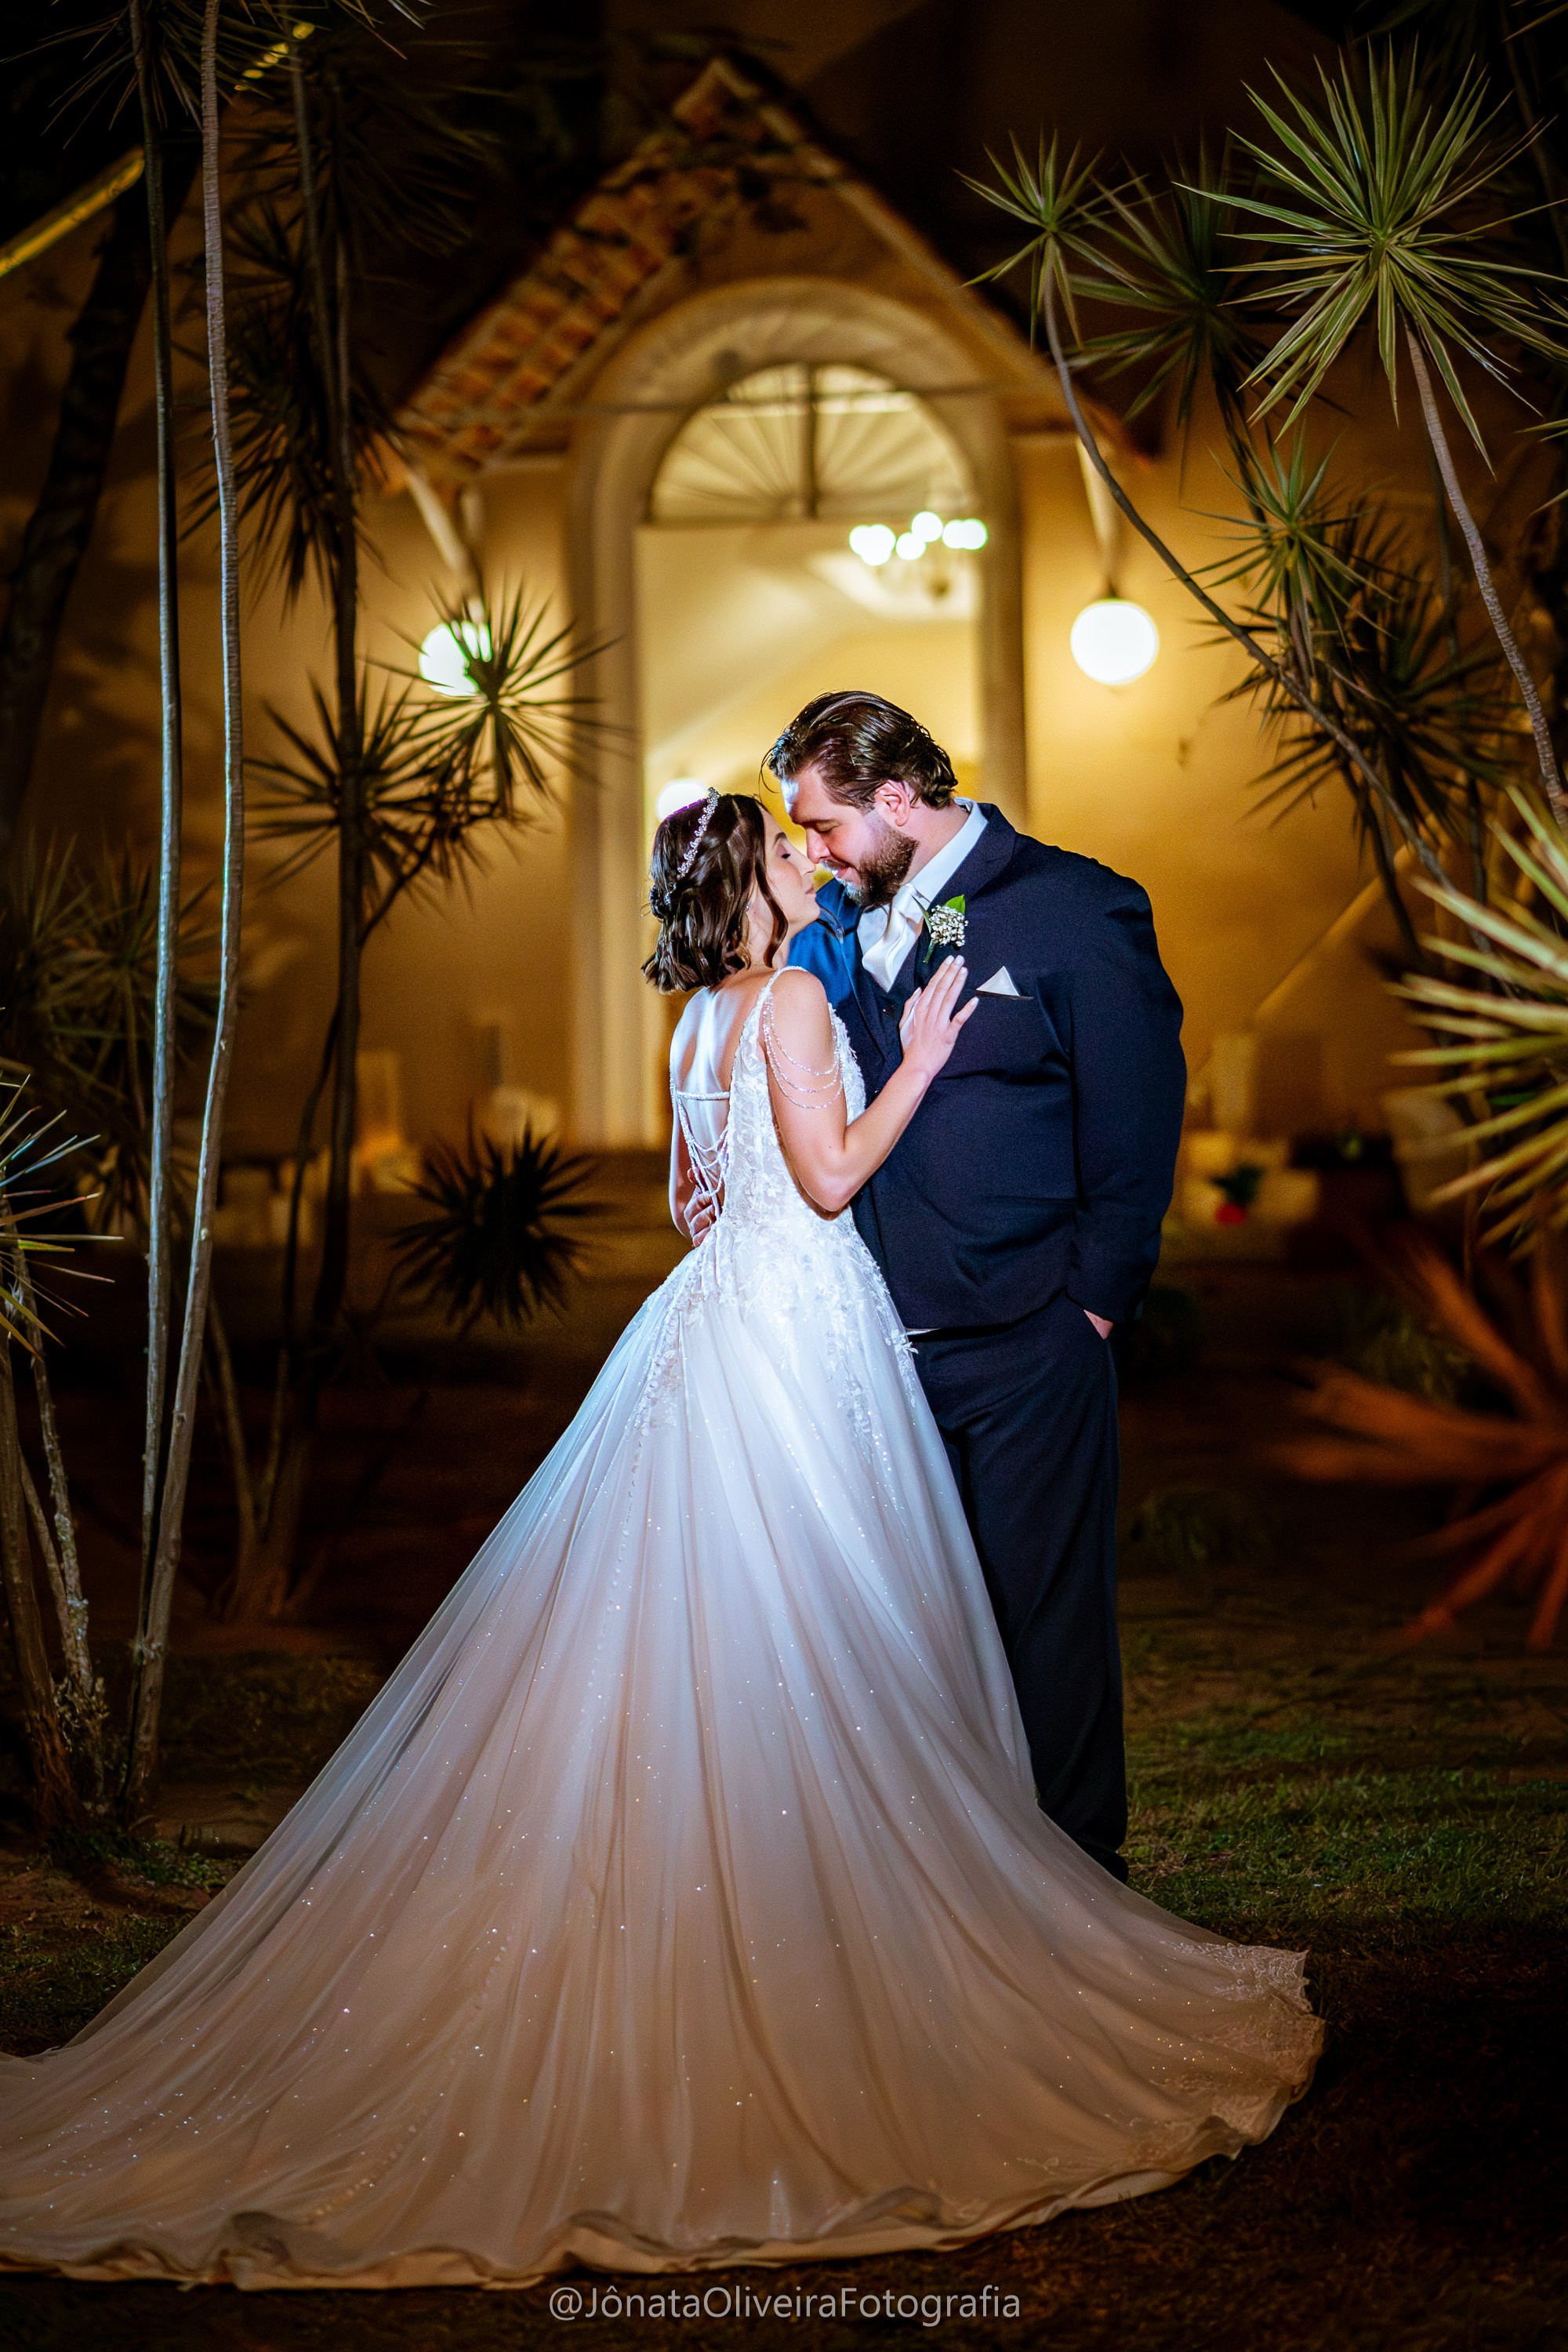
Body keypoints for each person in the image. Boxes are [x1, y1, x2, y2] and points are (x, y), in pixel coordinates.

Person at [0, 792, 1317, 2292]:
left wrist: (768, 1205)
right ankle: (843, 1910)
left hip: (707, 1322)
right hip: (804, 1324)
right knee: (834, 1605)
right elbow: (828, 1182)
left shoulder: (691, 1023)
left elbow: (699, 1204)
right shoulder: (796, 997)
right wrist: (932, 1062)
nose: (804, 864)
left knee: (721, 1608)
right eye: (786, 849)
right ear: (757, 881)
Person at [771, 692, 1186, 1882]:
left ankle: (1076, 1877)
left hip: (1028, 1338)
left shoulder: (1073, 908)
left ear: (897, 800)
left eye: (824, 827)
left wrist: (1093, 1304)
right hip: (878, 1348)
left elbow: (1138, 1120)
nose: (812, 852)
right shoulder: (844, 927)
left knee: (1043, 1621)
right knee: (920, 1630)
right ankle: (963, 1884)